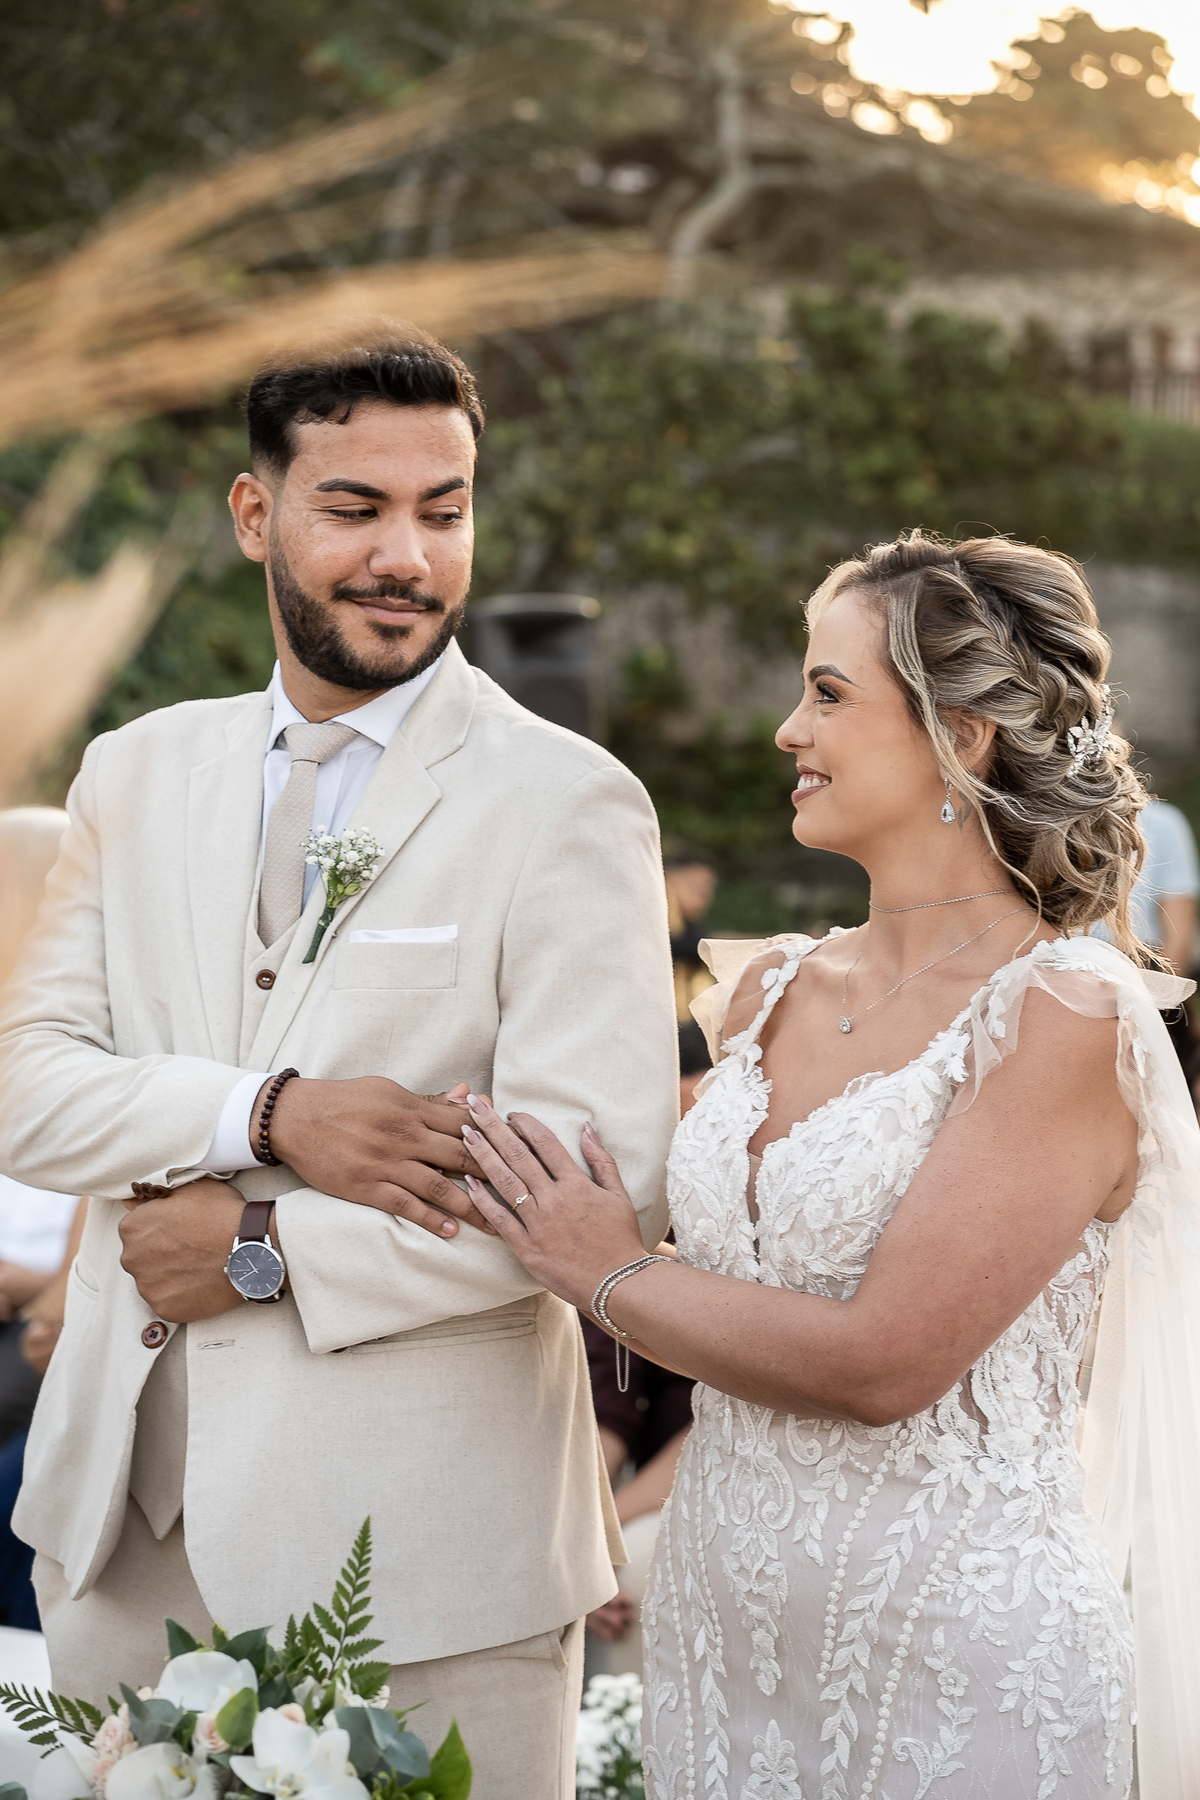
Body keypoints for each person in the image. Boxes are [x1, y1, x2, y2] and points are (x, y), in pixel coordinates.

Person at [0, 323, 678, 1796]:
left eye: (445, 510)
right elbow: (26, 1087)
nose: (407, 558)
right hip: (118, 1546)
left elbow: (600, 1181)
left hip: (429, 1564)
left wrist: (258, 1253)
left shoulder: (567, 801)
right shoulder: (132, 769)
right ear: (256, 514)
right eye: (356, 508)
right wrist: (270, 1114)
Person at [456, 531, 1200, 1798]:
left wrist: (608, 1273)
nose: (787, 730)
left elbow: (882, 1362)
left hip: (957, 1656)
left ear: (963, 736)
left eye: (828, 693)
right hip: (722, 1630)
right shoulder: (765, 994)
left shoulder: (1062, 1012)